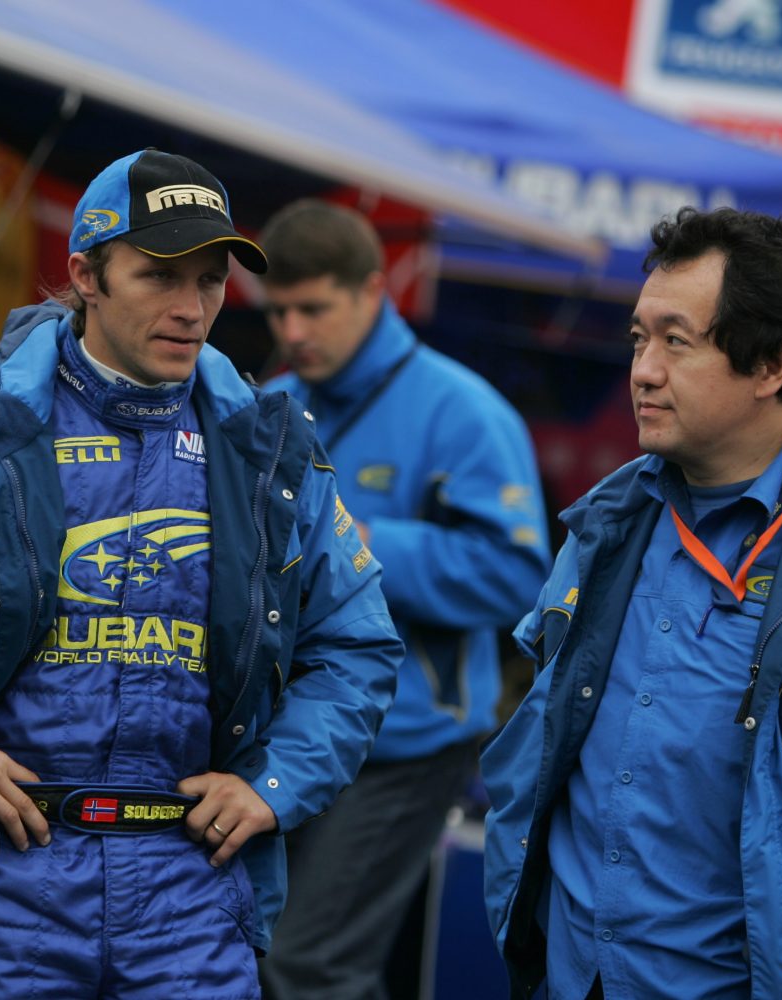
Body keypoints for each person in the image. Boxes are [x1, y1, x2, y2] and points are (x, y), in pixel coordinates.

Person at [0, 148, 403, 997]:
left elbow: (358, 645)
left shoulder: (271, 452)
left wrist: (275, 784)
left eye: (210, 281)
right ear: (85, 275)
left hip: (190, 893)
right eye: (159, 276)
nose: (190, 308)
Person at [481, 206, 782, 1000]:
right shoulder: (609, 518)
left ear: (771, 364)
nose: (643, 370)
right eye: (638, 338)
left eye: (676, 341)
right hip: (572, 975)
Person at [251, 199, 548, 1000]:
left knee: (309, 967)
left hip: (408, 743)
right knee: (264, 954)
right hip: (290, 738)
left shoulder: (463, 411)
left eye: (313, 308)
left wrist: (362, 542)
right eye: (277, 311)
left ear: (373, 290)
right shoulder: (272, 403)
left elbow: (520, 577)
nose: (293, 330)